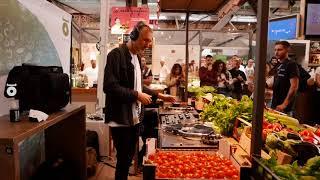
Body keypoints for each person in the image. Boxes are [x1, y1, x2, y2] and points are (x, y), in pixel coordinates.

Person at [103, 21, 175, 180]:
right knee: (123, 160)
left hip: (134, 117)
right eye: (145, 40)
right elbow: (109, 87)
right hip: (121, 119)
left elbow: (139, 86)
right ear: (133, 36)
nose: (148, 45)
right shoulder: (115, 55)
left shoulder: (136, 57)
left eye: (150, 41)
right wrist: (136, 95)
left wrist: (160, 95)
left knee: (128, 158)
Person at [271, 41, 300, 114]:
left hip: (284, 108)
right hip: (275, 104)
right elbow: (277, 83)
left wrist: (284, 104)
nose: (276, 52)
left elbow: (294, 86)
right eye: (275, 50)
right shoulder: (278, 65)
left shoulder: (291, 64)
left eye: (279, 50)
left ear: (287, 50)